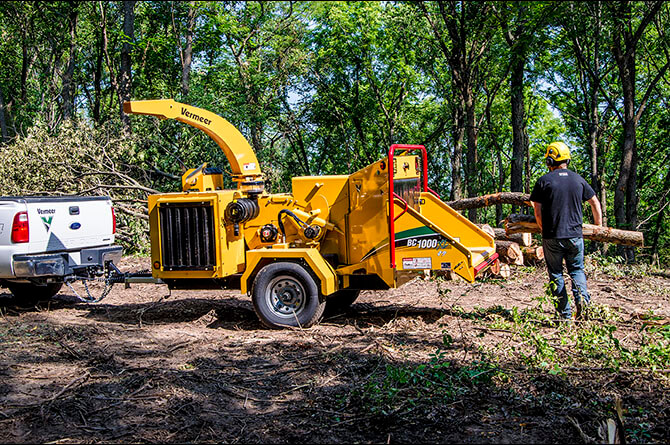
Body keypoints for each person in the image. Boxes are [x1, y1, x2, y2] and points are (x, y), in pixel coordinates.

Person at [529, 141, 603, 321]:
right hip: (575, 236)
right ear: (566, 160)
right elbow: (595, 202)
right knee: (577, 270)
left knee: (555, 274)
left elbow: (537, 209)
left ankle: (564, 315)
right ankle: (582, 304)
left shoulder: (544, 181)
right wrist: (598, 227)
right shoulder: (579, 180)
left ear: (550, 160)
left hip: (552, 236)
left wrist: (542, 227)